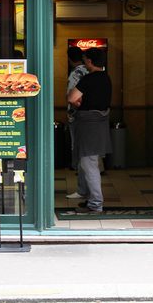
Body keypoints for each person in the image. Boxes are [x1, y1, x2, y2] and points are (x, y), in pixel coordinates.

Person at [67, 47, 112, 214]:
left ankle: (95, 203)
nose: (84, 62)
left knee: (88, 163)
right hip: (101, 123)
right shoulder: (106, 78)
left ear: (90, 61)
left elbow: (72, 98)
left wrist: (77, 102)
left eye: (86, 59)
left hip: (88, 125)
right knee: (90, 162)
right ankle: (90, 198)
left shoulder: (88, 79)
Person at [65, 46, 88, 197]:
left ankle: (82, 189)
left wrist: (71, 113)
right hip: (91, 116)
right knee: (89, 154)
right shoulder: (90, 72)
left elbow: (72, 96)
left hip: (78, 116)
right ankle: (87, 187)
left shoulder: (75, 74)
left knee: (79, 151)